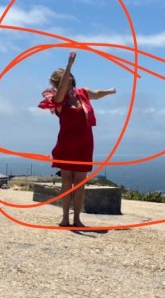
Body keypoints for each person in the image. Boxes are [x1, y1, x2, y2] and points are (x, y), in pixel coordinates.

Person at [38, 51, 116, 227]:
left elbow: (97, 93)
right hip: (66, 144)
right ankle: (65, 218)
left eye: (69, 80)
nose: (68, 83)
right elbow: (60, 93)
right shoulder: (56, 99)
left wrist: (110, 91)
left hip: (85, 143)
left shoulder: (83, 93)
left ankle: (77, 219)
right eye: (64, 81)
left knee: (80, 183)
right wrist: (69, 65)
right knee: (67, 181)